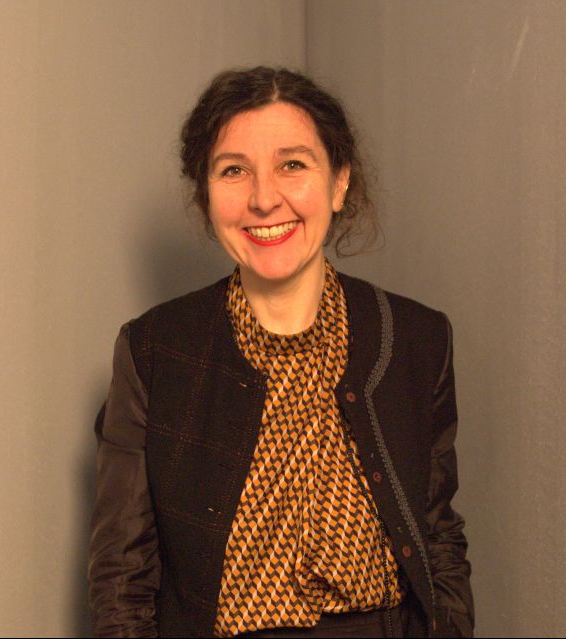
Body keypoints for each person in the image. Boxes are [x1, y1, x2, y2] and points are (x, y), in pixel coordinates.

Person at [88, 66, 474, 638]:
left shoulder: (416, 338)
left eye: (292, 165)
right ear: (205, 194)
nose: (264, 199)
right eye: (234, 170)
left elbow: (438, 538)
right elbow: (123, 576)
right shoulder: (154, 350)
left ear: (339, 182)